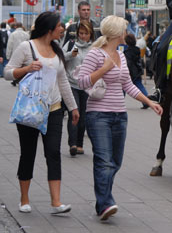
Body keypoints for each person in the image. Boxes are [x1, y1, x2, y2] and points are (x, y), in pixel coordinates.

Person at [78, 15, 162, 221]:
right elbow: (81, 82)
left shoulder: (121, 55)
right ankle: (106, 202)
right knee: (104, 160)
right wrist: (103, 69)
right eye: (124, 30)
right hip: (98, 115)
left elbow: (129, 86)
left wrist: (149, 101)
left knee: (115, 161)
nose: (127, 34)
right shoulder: (95, 54)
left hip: (119, 115)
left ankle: (102, 202)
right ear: (116, 33)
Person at [4, 11, 79, 215]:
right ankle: (24, 199)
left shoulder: (57, 50)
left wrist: (73, 107)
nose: (62, 29)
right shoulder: (26, 47)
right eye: (59, 26)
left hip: (54, 110)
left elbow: (62, 81)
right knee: (28, 153)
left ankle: (56, 202)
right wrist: (27, 68)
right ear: (49, 28)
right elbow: (7, 72)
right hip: (30, 110)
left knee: (53, 153)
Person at [62, 20, 94, 156]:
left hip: (86, 86)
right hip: (72, 84)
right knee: (74, 114)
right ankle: (72, 144)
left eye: (86, 33)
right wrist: (70, 55)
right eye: (81, 33)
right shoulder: (70, 45)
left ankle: (80, 144)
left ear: (90, 34)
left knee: (84, 117)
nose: (83, 36)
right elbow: (60, 57)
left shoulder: (94, 48)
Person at [123, 33, 149, 109]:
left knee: (123, 87)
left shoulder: (127, 52)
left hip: (131, 72)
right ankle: (146, 101)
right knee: (140, 86)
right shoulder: (137, 50)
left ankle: (119, 103)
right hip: (137, 71)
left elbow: (128, 64)